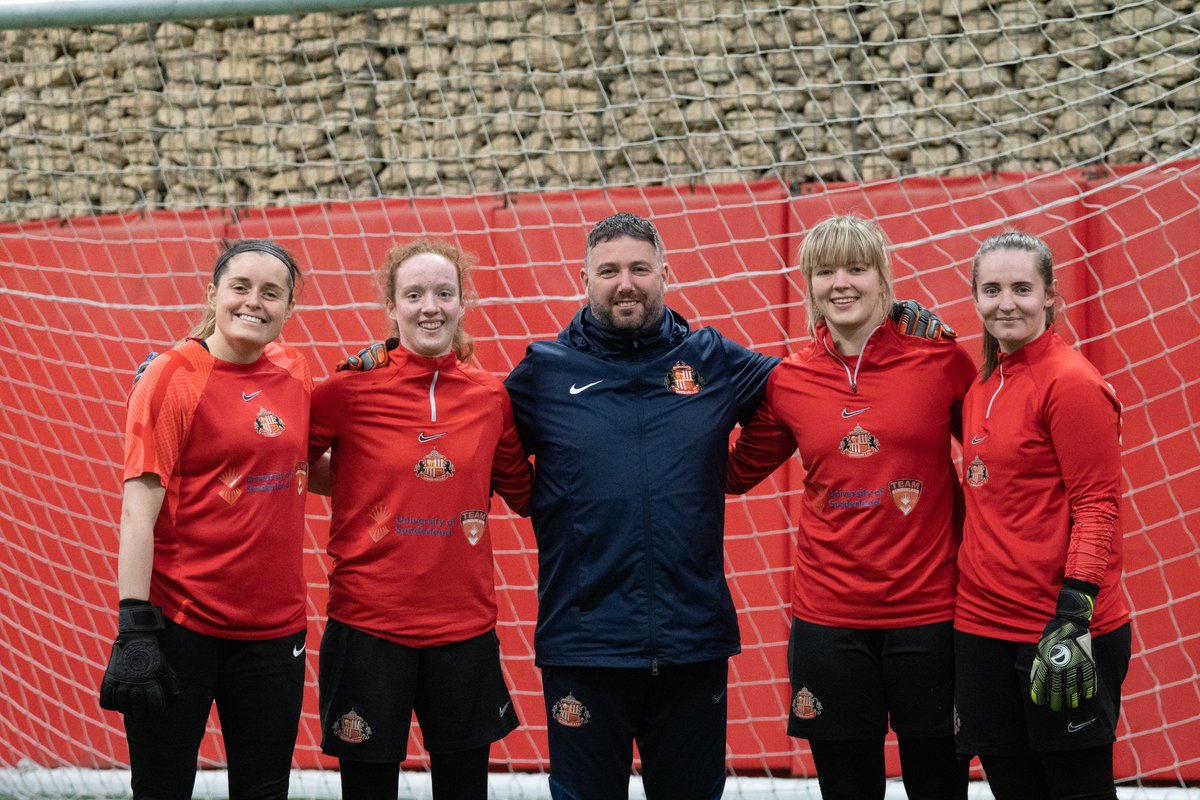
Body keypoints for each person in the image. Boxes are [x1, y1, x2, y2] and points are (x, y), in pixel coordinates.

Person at [338, 214, 955, 799]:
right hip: (583, 644)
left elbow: (817, 376)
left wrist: (896, 323)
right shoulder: (540, 375)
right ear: (584, 281)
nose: (624, 283)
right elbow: (455, 436)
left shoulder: (715, 360)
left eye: (639, 268)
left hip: (693, 641)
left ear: (666, 272)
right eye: (608, 271)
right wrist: (387, 360)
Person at [723, 215, 973, 800]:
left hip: (931, 614)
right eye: (826, 270)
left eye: (857, 269)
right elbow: (734, 473)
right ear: (808, 283)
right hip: (829, 619)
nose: (842, 283)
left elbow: (997, 451)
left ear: (883, 279)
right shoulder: (789, 380)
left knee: (939, 787)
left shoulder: (941, 361)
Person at [309, 239, 533, 800]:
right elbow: (288, 462)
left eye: (443, 293)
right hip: (367, 623)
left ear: (463, 303)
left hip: (463, 627)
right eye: (413, 294)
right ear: (391, 306)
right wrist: (363, 488)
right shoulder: (346, 388)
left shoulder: (490, 397)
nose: (429, 306)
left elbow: (524, 491)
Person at [99, 240, 311, 800]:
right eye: (240, 287)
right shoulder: (170, 377)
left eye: (272, 293)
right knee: (162, 790)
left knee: (264, 793)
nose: (254, 302)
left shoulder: (296, 370)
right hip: (180, 628)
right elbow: (136, 514)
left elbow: (315, 467)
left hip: (275, 632)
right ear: (213, 293)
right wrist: (134, 627)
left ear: (289, 308)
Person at [953, 231, 1130, 800]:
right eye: (993, 289)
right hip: (982, 629)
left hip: (1062, 630)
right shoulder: (983, 380)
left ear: (1050, 296)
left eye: (1023, 288)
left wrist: (1074, 611)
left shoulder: (1072, 382)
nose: (1007, 302)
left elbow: (1098, 507)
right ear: (976, 297)